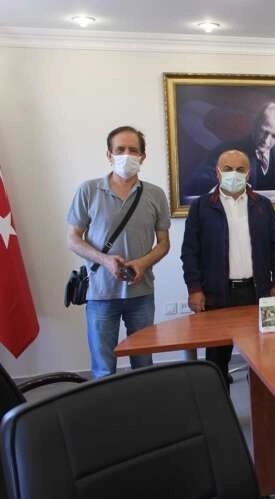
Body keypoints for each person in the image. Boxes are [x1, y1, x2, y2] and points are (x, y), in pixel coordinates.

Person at [67, 126, 171, 378]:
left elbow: (164, 243)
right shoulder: (88, 190)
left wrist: (143, 263)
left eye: (133, 150)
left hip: (141, 293)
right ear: (109, 155)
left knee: (144, 365)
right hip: (100, 293)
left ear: (143, 157)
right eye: (120, 149)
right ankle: (107, 406)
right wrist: (105, 260)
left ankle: (142, 404)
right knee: (103, 368)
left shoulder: (156, 194)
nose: (127, 155)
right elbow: (73, 239)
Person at [181, 149, 275, 384]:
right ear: (218, 172)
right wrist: (194, 289)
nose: (234, 174)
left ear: (248, 173)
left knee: (263, 356)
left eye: (240, 169)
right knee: (217, 361)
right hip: (218, 294)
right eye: (228, 169)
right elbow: (189, 252)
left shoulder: (262, 205)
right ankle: (219, 405)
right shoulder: (201, 207)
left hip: (257, 292)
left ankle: (262, 405)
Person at [186, 102, 275, 195]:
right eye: (264, 131)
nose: (266, 140)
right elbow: (198, 183)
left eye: (274, 136)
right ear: (255, 125)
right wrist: (227, 185)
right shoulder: (227, 151)